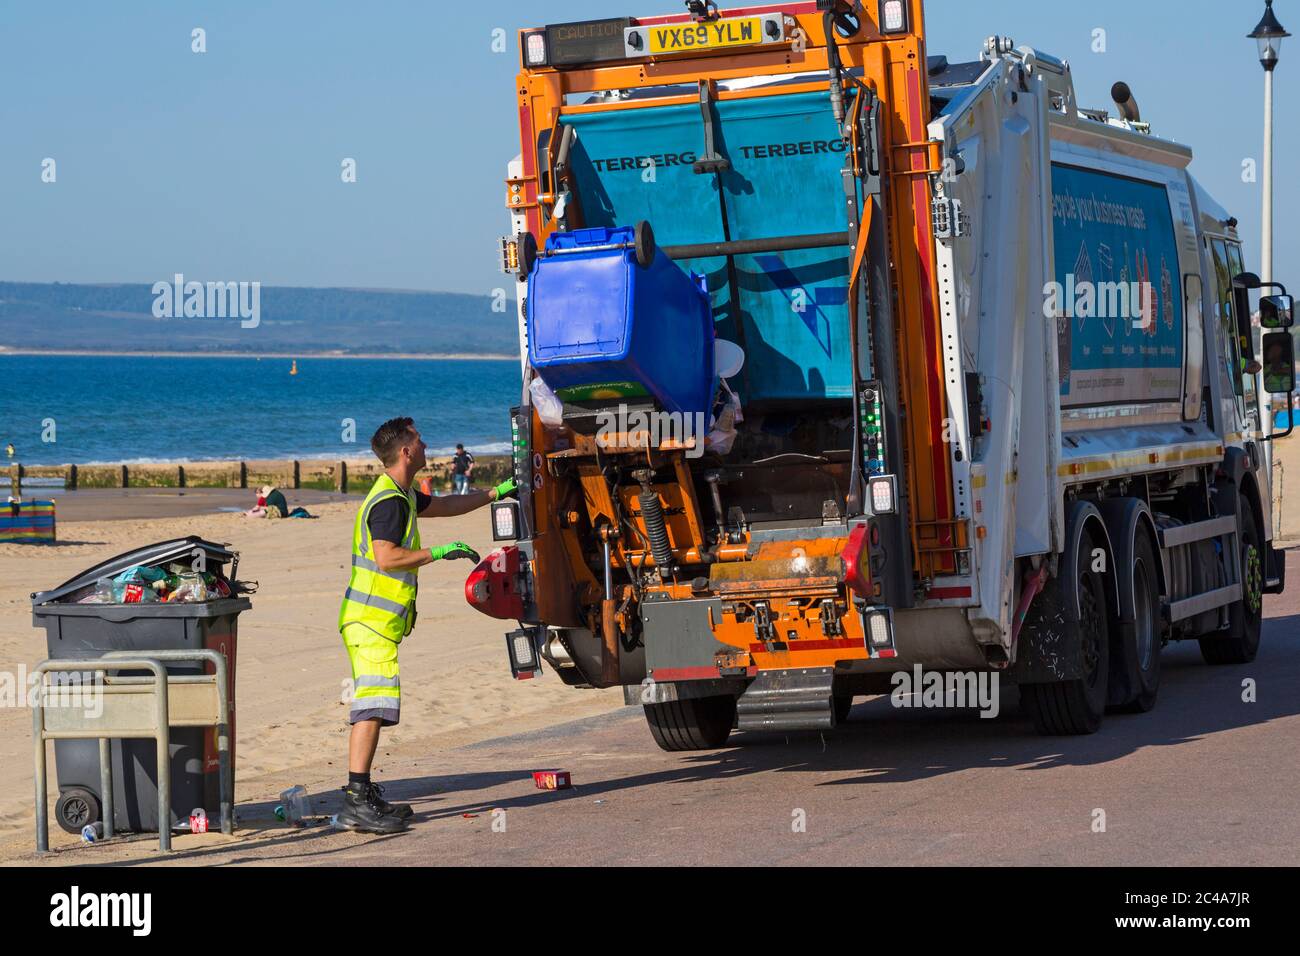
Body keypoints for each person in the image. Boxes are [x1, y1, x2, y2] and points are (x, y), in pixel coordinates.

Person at [335, 417, 516, 833]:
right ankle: (355, 800)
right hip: (370, 622)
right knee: (372, 707)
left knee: (376, 706)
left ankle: (361, 794)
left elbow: (447, 505)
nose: (425, 443)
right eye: (418, 439)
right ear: (405, 451)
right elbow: (387, 557)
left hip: (374, 622)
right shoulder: (389, 502)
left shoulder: (400, 494)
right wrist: (439, 552)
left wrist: (495, 493)